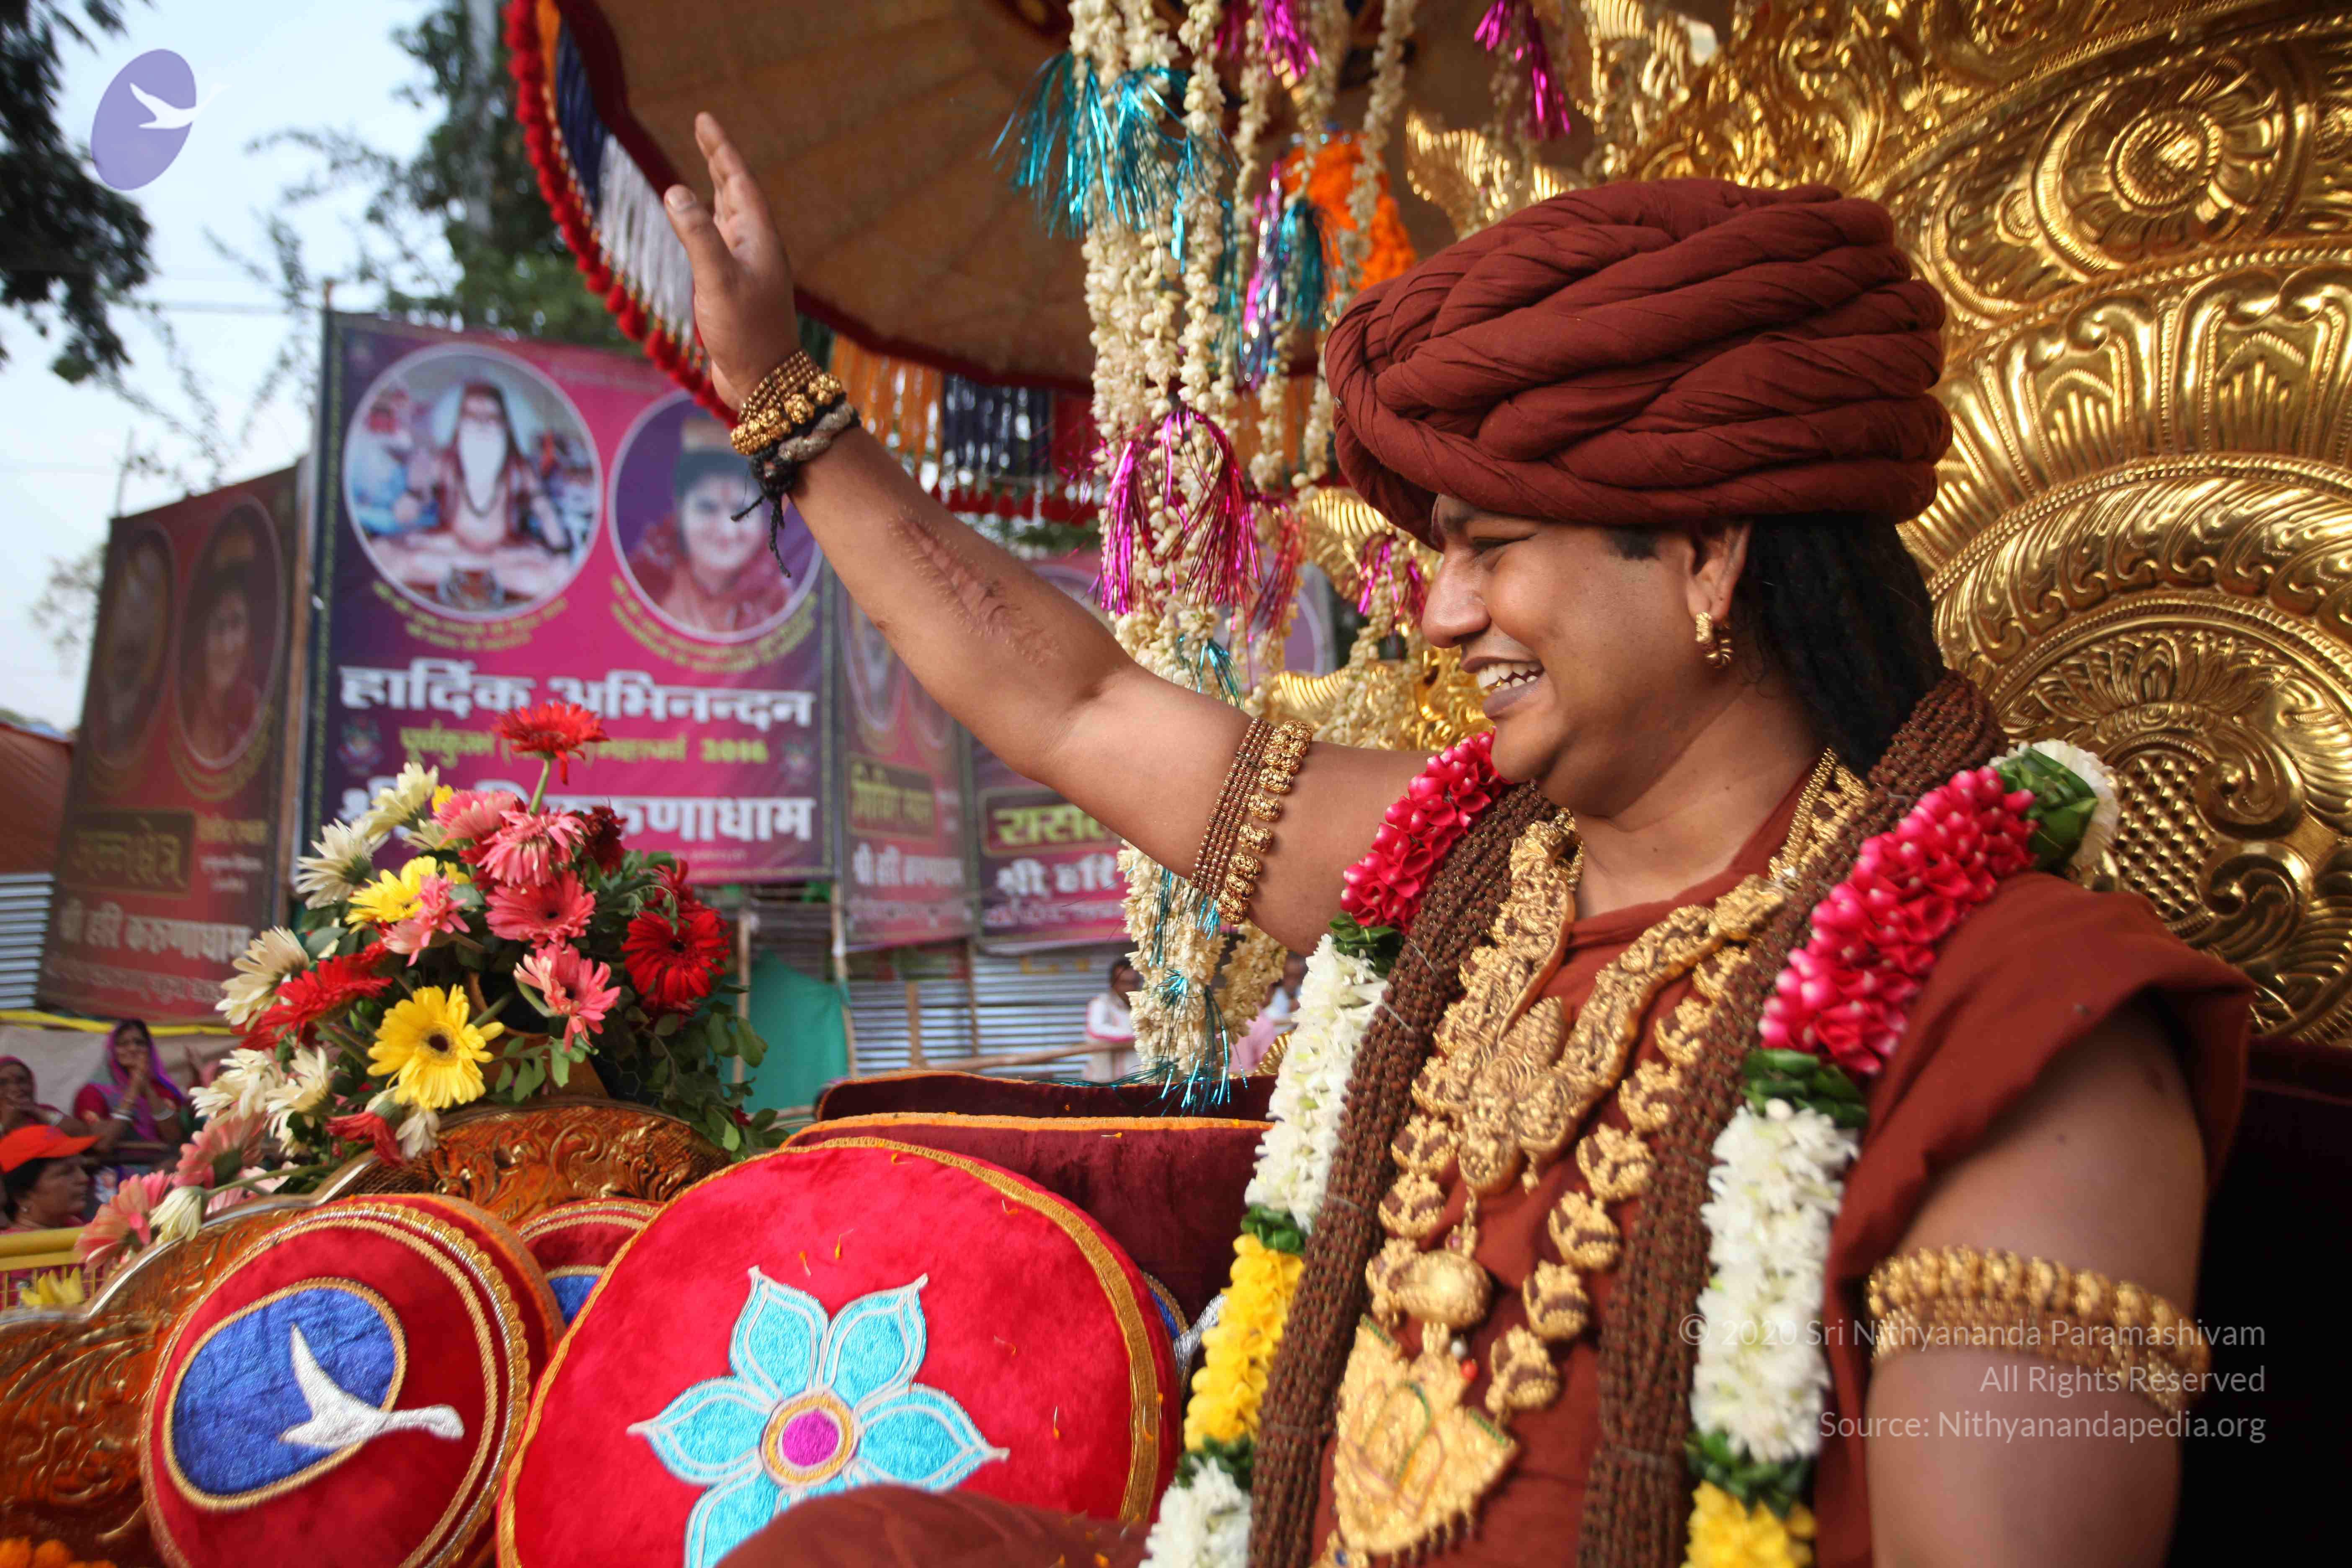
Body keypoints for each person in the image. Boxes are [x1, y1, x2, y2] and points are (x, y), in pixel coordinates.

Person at [661, 120, 2249, 1568]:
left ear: (1706, 557)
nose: (1438, 611)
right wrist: (783, 400)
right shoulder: (1464, 869)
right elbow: (1075, 705)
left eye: (1488, 548)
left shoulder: (2022, 1015)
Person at [372, 380, 572, 610]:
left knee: (557, 574)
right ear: (459, 423)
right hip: (450, 548)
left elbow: (544, 510)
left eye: (491, 416)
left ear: (506, 425)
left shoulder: (519, 469)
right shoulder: (444, 464)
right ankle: (475, 573)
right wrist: (413, 491)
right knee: (382, 552)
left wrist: (560, 551)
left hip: (502, 554)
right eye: (473, 416)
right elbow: (405, 515)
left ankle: (469, 573)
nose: (482, 423)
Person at [626, 414, 791, 635]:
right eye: (707, 508)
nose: (726, 531)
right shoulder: (645, 583)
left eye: (743, 511)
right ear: (679, 510)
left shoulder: (782, 603)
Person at [178, 530, 266, 764]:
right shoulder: (185, 706)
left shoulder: (253, 710)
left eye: (237, 623)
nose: (227, 646)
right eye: (218, 626)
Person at [71, 1020, 191, 1185]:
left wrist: (146, 1087)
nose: (133, 1049)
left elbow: (173, 1138)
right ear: (112, 1050)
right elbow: (103, 1144)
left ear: (150, 1049)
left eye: (139, 1043)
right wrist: (134, 1090)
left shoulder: (164, 1091)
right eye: (123, 1044)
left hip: (162, 1176)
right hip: (111, 1180)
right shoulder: (92, 1093)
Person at [1, 1125, 95, 1233]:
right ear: (23, 1197)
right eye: (66, 1172)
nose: (84, 1178)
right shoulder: (11, 1243)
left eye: (82, 1168)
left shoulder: (76, 1226)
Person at [1231, 950, 1309, 1076]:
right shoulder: (1263, 1025)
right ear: (1264, 988)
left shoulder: (1227, 1019)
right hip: (1250, 1085)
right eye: (1273, 985)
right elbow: (1268, 1071)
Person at [1084, 959, 1141, 1082]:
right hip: (1103, 1082)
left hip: (1133, 1081)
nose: (1130, 988)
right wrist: (1134, 1036)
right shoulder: (1101, 1003)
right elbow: (1096, 1029)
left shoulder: (1143, 1007)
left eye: (1134, 983)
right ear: (1113, 983)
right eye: (1125, 983)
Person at [0, 1056, 84, 1136]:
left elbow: (84, 1134)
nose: (15, 1089)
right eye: (3, 1083)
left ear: (32, 1084)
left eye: (22, 1081)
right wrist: (5, 1124)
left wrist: (37, 1111)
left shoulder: (45, 1112)